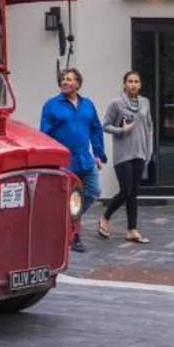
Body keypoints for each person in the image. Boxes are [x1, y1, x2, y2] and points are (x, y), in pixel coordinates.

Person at [40, 68, 106, 250]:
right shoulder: (51, 105)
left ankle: (66, 221)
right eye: (63, 79)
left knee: (93, 191)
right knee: (67, 197)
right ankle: (74, 235)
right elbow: (44, 134)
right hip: (64, 162)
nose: (64, 82)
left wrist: (99, 154)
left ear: (78, 84)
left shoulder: (88, 104)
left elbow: (96, 129)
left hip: (85, 159)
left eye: (69, 79)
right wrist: (49, 159)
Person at [98, 70, 154, 243]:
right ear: (125, 84)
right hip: (123, 154)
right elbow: (105, 126)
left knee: (134, 193)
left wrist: (149, 151)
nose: (133, 84)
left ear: (140, 84)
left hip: (140, 153)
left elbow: (149, 127)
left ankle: (132, 229)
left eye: (136, 81)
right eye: (130, 81)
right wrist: (122, 130)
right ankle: (105, 218)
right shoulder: (116, 103)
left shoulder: (145, 102)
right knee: (126, 190)